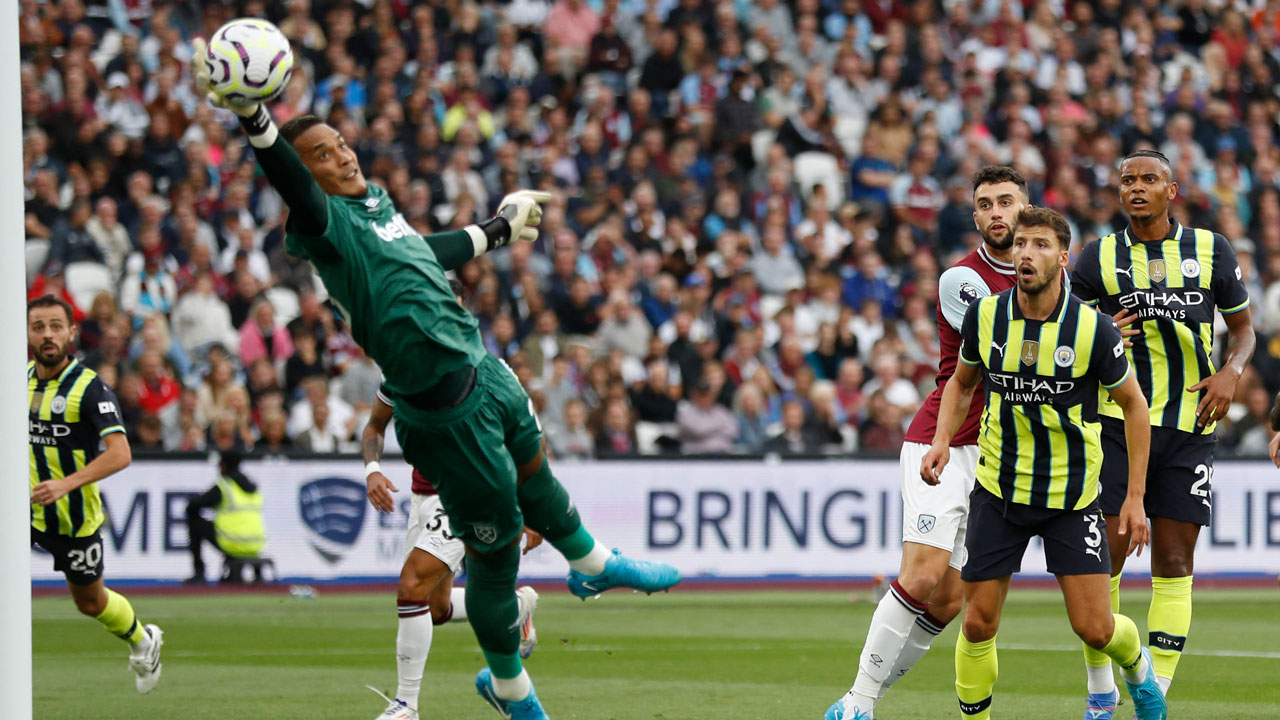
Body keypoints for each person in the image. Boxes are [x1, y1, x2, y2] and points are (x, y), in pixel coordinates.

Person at [192, 42, 679, 720]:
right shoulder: (327, 226)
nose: (344, 156)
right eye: (325, 155)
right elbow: (289, 179)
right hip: (442, 410)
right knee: (495, 556)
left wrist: (497, 231)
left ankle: (594, 564)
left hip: (482, 369)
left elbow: (424, 251)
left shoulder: (375, 206)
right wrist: (254, 119)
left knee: (534, 472)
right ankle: (513, 692)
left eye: (341, 144)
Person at [927, 208, 1166, 720]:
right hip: (998, 490)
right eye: (1019, 245)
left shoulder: (1093, 329)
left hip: (1070, 497)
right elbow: (962, 383)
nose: (1024, 254)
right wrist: (942, 440)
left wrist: (1136, 496)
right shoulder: (986, 315)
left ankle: (1139, 668)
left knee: (1096, 629)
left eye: (1038, 245)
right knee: (977, 624)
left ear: (1062, 258)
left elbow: (1134, 406)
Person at [825, 166, 1027, 720]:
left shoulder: (1049, 280)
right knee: (921, 575)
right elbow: (995, 354)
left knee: (948, 600)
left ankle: (865, 700)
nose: (995, 213)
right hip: (944, 440)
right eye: (984, 204)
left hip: (999, 453)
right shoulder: (961, 279)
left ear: (1024, 208)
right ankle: (856, 703)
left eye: (1005, 202)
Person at [1070, 150, 1255, 713]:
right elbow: (1062, 331)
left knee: (1174, 563)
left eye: (1149, 179)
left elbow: (1243, 329)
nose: (1137, 188)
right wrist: (1096, 329)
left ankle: (1156, 695)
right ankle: (1101, 694)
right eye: (1127, 180)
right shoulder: (1098, 257)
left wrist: (1232, 371)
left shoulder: (1210, 249)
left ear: (1171, 190)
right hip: (1116, 424)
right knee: (1107, 560)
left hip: (1189, 424)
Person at [364, 390, 542, 720]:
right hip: (423, 496)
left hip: (466, 493)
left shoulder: (468, 372)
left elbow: (520, 441)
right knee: (434, 608)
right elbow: (375, 425)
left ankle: (405, 706)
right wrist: (372, 469)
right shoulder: (397, 373)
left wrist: (530, 505)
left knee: (412, 585)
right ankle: (514, 608)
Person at [27, 295, 164, 694]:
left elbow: (121, 454)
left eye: (55, 326)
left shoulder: (89, 388)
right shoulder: (18, 378)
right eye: (39, 327)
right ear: (28, 334)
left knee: (89, 602)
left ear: (71, 332)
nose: (47, 335)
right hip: (23, 511)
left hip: (72, 518)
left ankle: (143, 639)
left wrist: (65, 484)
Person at [183, 450, 267, 584]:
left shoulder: (224, 487)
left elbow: (192, 506)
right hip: (256, 544)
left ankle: (199, 572)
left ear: (223, 466)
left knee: (194, 521)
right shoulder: (253, 489)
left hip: (231, 542)